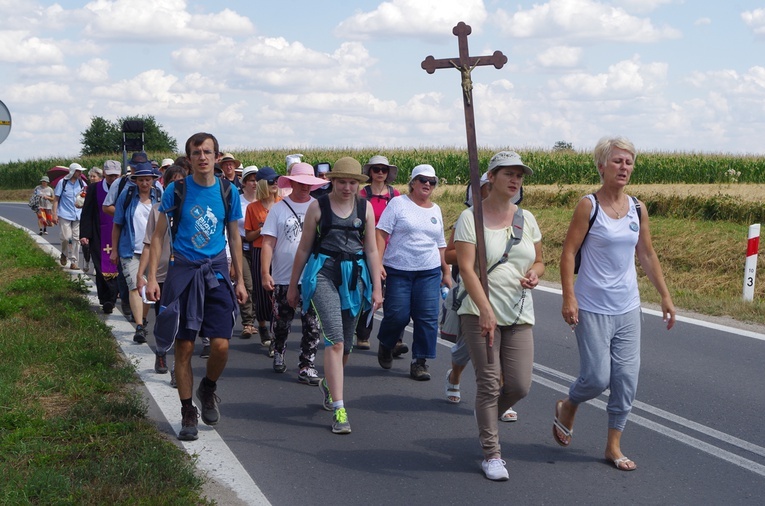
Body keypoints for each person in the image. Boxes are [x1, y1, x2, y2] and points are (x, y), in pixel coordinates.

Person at [554, 136, 676, 472]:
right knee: (595, 378)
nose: (624, 167)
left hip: (627, 307)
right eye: (618, 161)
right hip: (592, 305)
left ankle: (613, 445)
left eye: (629, 162)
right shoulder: (588, 206)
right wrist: (569, 297)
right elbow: (567, 253)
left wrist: (664, 295)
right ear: (601, 166)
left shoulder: (637, 207)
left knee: (626, 379)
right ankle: (569, 404)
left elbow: (647, 253)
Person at [146, 132, 247, 441]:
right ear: (188, 158)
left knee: (221, 344)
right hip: (183, 271)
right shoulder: (176, 191)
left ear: (217, 157)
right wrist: (151, 278)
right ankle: (188, 410)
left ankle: (209, 387)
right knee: (185, 346)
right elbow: (158, 237)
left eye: (207, 151)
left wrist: (240, 278)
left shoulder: (228, 191)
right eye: (196, 152)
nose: (202, 157)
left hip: (215, 273)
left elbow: (234, 235)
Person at [454, 151, 544, 481]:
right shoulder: (471, 218)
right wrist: (486, 310)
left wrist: (534, 273)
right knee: (489, 384)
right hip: (479, 312)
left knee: (519, 385)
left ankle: (486, 416)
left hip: (519, 311)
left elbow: (539, 261)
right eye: (509, 173)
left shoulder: (527, 218)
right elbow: (466, 267)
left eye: (520, 175)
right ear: (491, 177)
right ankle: (492, 454)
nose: (516, 180)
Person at [286, 157, 382, 434]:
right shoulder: (318, 207)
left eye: (352, 182)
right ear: (333, 181)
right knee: (335, 340)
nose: (347, 187)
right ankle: (340, 408)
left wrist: (377, 287)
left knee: (348, 344)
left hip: (355, 278)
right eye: (342, 182)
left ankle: (329, 382)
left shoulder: (365, 209)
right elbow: (304, 249)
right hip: (323, 274)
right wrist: (294, 286)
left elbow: (372, 250)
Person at [444, 171, 522, 423]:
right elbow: (449, 255)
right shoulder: (467, 219)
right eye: (485, 188)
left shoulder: (515, 219)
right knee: (466, 349)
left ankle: (499, 397)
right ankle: (454, 375)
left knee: (498, 351)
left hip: (506, 294)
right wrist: (475, 253)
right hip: (473, 292)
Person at [376, 164, 450, 381]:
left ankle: (420, 362)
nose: (427, 184)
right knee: (397, 315)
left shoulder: (435, 209)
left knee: (427, 318)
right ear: (413, 182)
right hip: (399, 270)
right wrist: (378, 263)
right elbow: (381, 234)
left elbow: (440, 243)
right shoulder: (398, 204)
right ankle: (387, 343)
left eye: (432, 181)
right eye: (422, 180)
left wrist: (446, 271)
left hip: (429, 271)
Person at [260, 162, 326, 384]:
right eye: (301, 183)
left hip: (312, 276)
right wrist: (265, 272)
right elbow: (268, 241)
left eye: (309, 183)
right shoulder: (279, 209)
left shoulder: (319, 207)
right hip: (283, 275)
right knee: (282, 321)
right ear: (292, 183)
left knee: (312, 323)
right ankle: (279, 350)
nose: (305, 187)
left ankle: (307, 364)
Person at [136, 165, 187, 378]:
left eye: (182, 182)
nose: (178, 187)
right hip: (162, 273)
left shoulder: (191, 208)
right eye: (173, 182)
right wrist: (143, 274)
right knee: (164, 317)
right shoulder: (157, 210)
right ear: (164, 184)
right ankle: (161, 351)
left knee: (183, 321)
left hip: (185, 273)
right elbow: (149, 243)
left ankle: (179, 368)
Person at [112, 161, 162, 344]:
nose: (144, 183)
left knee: (147, 289)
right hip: (130, 249)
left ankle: (144, 318)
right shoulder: (127, 197)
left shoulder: (159, 197)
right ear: (135, 180)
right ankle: (139, 325)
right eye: (141, 180)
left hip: (154, 251)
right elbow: (117, 224)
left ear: (153, 180)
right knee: (135, 286)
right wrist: (114, 249)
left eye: (148, 180)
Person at [356, 155, 402, 352]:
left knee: (395, 295)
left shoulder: (395, 195)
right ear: (370, 172)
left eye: (384, 169)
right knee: (368, 290)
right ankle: (363, 334)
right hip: (367, 249)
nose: (380, 173)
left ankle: (396, 339)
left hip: (392, 250)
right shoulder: (362, 194)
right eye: (376, 169)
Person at [244, 166, 281, 353]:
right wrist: (263, 228)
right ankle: (262, 325)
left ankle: (275, 333)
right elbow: (249, 236)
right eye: (271, 181)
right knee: (261, 291)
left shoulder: (283, 203)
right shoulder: (253, 208)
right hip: (259, 250)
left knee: (278, 292)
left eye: (277, 181)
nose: (275, 184)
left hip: (279, 252)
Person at [80, 160, 121, 314]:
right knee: (100, 266)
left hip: (120, 232)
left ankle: (113, 296)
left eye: (116, 175)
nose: (113, 178)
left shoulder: (125, 187)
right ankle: (106, 299)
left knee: (118, 266)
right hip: (99, 233)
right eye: (110, 175)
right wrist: (85, 234)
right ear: (104, 173)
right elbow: (87, 212)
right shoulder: (94, 188)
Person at [237, 165, 259, 339]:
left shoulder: (263, 201)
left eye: (257, 180)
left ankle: (261, 320)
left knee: (259, 286)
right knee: (247, 284)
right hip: (241, 246)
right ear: (244, 182)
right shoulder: (237, 201)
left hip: (259, 248)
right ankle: (247, 323)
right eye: (251, 180)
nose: (255, 183)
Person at [52, 163, 86, 270]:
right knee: (66, 237)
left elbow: (86, 197)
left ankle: (74, 262)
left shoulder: (82, 183)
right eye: (78, 171)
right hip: (64, 214)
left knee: (76, 238)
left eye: (81, 171)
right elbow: (56, 199)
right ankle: (64, 253)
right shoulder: (62, 183)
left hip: (78, 214)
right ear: (72, 171)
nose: (80, 173)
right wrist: (54, 214)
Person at [81, 167, 104, 273]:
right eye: (90, 176)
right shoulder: (87, 189)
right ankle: (87, 261)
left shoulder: (106, 188)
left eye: (94, 176)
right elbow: (85, 207)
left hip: (103, 223)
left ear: (100, 177)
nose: (91, 178)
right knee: (87, 246)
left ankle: (97, 267)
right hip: (91, 221)